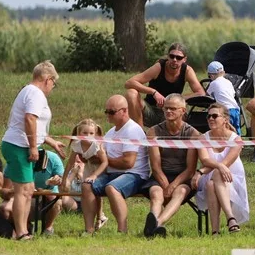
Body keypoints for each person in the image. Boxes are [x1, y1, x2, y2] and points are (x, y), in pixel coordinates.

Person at [0, 60, 64, 241]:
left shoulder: (29, 91)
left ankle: (23, 230)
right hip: (20, 146)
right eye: (54, 83)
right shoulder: (36, 93)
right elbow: (29, 120)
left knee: (27, 190)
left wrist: (51, 142)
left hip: (19, 144)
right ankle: (21, 232)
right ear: (48, 79)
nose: (52, 87)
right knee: (23, 191)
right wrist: (34, 146)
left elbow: (35, 125)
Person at [81, 95, 151, 234]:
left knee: (112, 188)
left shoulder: (132, 130)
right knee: (86, 185)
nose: (108, 115)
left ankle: (122, 230)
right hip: (112, 174)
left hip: (135, 175)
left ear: (124, 111)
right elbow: (100, 155)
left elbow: (128, 162)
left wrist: (103, 159)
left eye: (111, 112)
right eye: (106, 111)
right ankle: (89, 230)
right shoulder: (110, 132)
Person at [144, 93, 200, 238]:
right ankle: (154, 225)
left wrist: (172, 186)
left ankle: (157, 224)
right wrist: (165, 185)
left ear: (183, 110)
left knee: (180, 192)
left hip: (183, 177)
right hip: (160, 174)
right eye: (166, 108)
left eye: (173, 109)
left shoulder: (192, 134)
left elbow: (190, 169)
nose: (168, 111)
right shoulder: (153, 132)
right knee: (156, 193)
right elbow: (155, 167)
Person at [193, 102, 249, 234]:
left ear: (225, 119)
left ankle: (216, 231)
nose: (210, 119)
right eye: (208, 117)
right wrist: (201, 172)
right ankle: (230, 219)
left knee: (215, 179)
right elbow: (205, 160)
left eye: (214, 116)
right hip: (208, 177)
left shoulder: (236, 139)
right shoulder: (202, 138)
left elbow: (226, 163)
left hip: (232, 179)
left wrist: (201, 171)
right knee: (213, 180)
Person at [124, 42, 204, 126]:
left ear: (184, 59)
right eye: (172, 56)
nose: (174, 60)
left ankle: (173, 136)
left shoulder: (187, 70)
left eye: (179, 58)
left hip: (170, 112)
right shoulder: (159, 67)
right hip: (150, 109)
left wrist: (174, 100)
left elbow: (200, 93)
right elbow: (129, 83)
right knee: (131, 93)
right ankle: (139, 134)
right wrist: (154, 92)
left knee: (180, 109)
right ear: (168, 56)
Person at [60, 119, 107, 226]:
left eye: (91, 133)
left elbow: (105, 162)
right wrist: (64, 179)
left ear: (95, 134)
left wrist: (95, 175)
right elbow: (70, 163)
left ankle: (100, 216)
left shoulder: (96, 145)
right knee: (88, 190)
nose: (88, 136)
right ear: (78, 134)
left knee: (96, 191)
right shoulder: (77, 144)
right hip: (89, 167)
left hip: (100, 169)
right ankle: (95, 218)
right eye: (85, 133)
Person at [205, 61, 241, 133]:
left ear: (211, 76)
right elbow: (233, 94)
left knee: (226, 129)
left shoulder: (213, 83)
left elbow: (206, 95)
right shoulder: (228, 82)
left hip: (225, 110)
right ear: (223, 73)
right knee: (236, 128)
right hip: (236, 109)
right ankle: (238, 141)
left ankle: (226, 142)